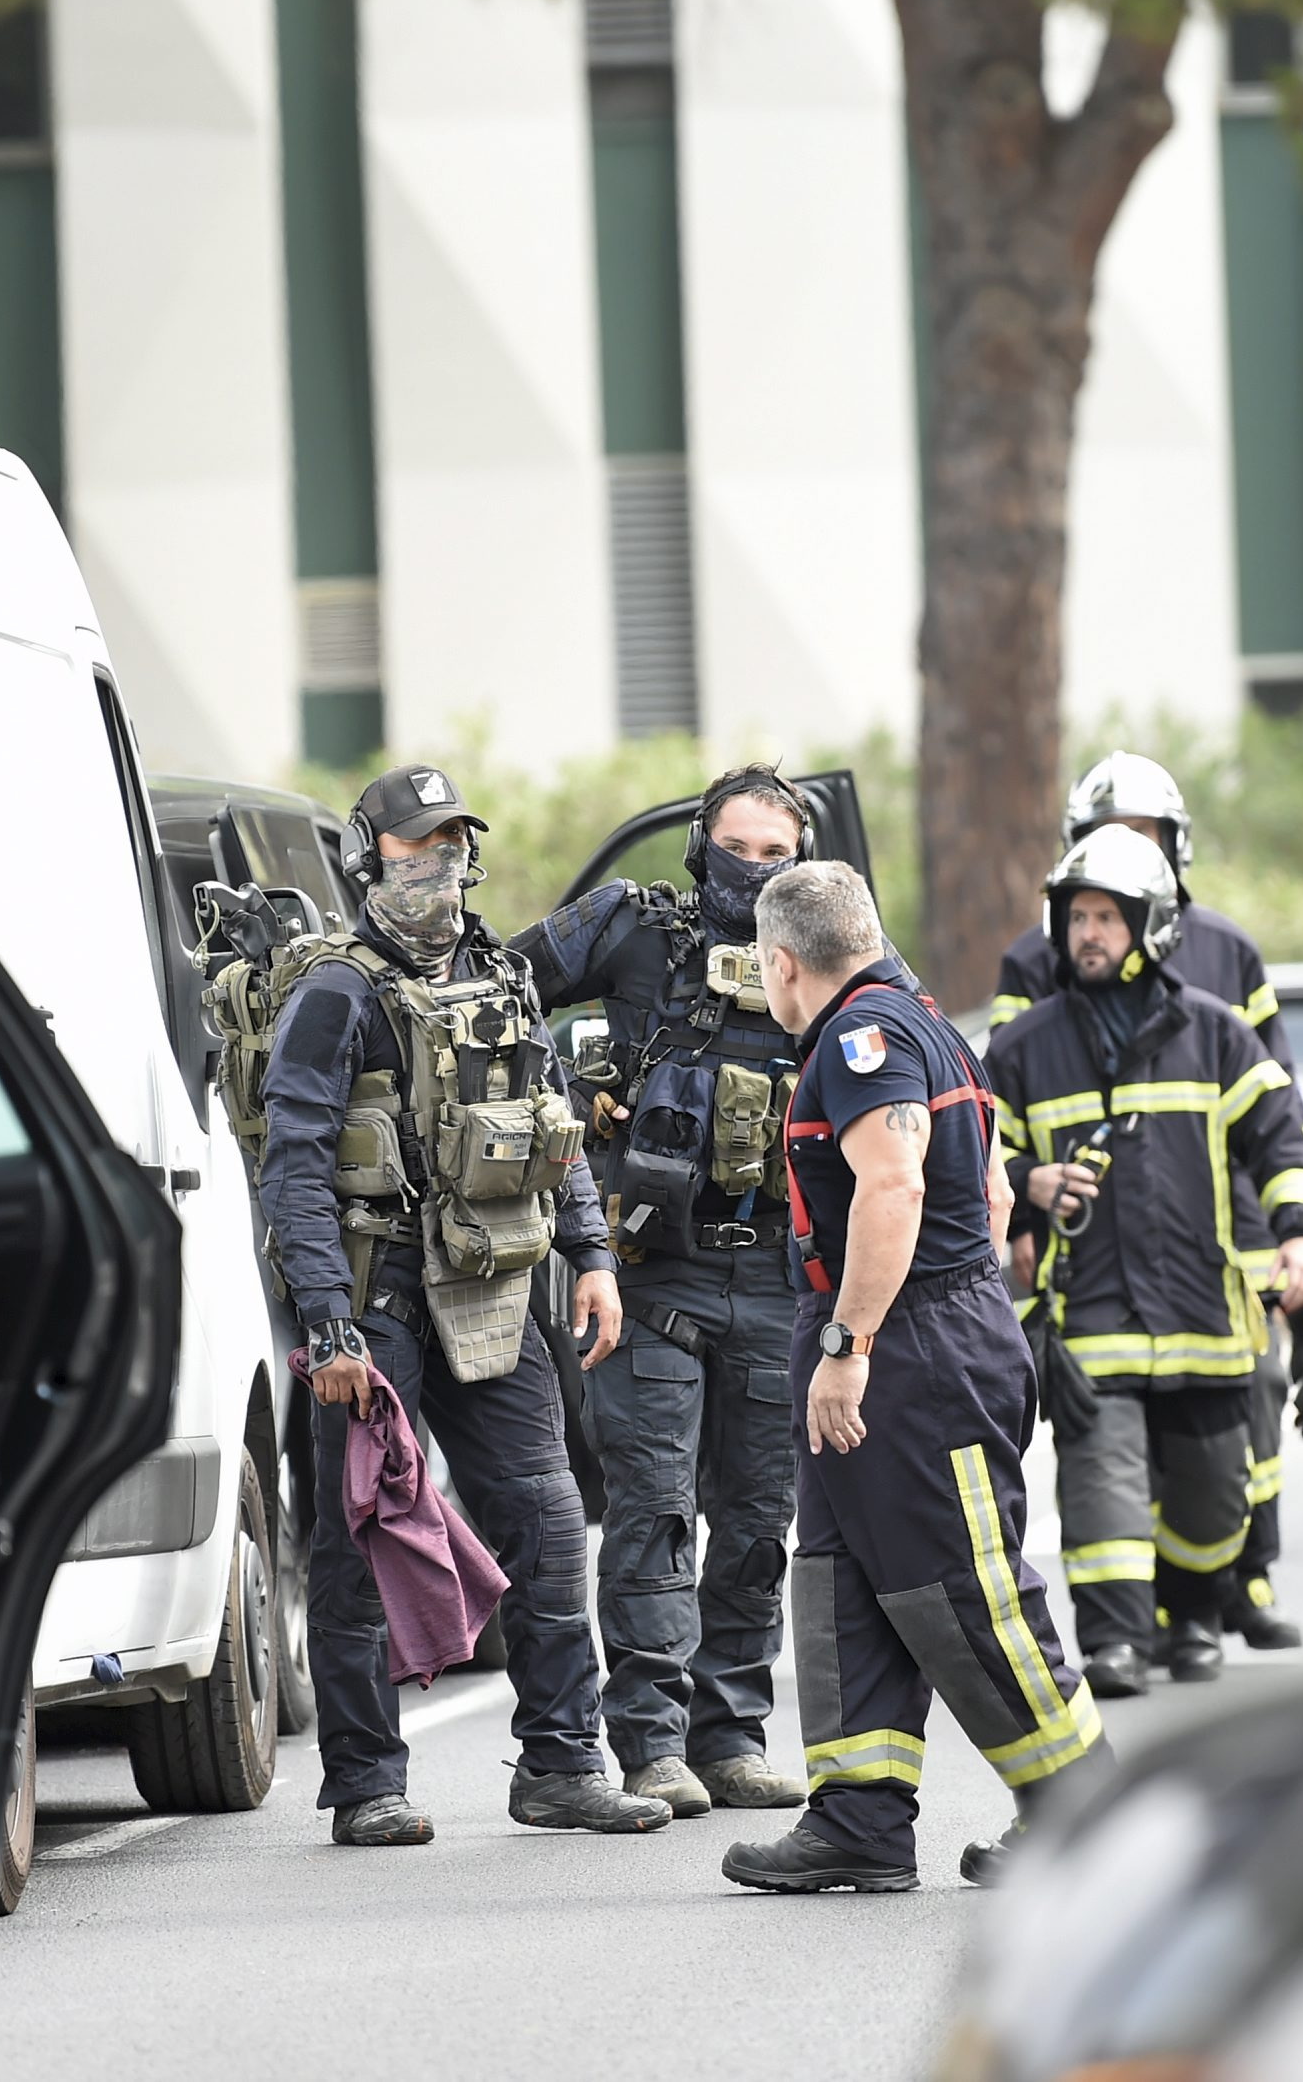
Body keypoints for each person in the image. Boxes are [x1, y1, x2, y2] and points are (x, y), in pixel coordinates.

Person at [261, 765, 672, 1845]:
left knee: (545, 1519)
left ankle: (563, 1766)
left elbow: (555, 1126)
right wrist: (326, 1322)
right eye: (413, 850)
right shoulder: (334, 993)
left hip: (491, 1286)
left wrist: (589, 1254)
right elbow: (295, 1167)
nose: (436, 869)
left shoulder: (500, 973)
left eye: (449, 847)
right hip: (376, 1295)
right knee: (358, 1541)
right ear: (369, 863)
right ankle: (365, 1784)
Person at [719, 863, 1107, 1895]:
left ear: (783, 962)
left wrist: (851, 1345)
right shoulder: (924, 1017)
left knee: (963, 1588)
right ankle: (859, 1816)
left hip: (907, 1347)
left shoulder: (862, 1039)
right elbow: (985, 1191)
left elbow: (894, 1186)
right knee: (843, 1577)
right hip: (918, 1326)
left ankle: (1089, 1817)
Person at [513, 764, 819, 1819]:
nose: (757, 871)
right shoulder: (631, 929)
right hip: (650, 1273)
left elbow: (902, 1058)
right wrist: (570, 1106)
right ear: (701, 847)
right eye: (739, 849)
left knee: (755, 1517)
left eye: (778, 855)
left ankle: (728, 1736)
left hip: (777, 1276)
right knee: (649, 1509)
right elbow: (501, 1004)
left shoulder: (830, 956)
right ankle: (650, 1743)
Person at [988, 749, 1303, 1650]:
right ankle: (1117, 1632)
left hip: (1213, 1262)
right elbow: (993, 1132)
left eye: (1138, 842)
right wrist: (1023, 1199)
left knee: (1231, 1450)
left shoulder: (1221, 982)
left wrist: (1302, 1225)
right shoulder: (1028, 999)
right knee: (1103, 1463)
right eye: (1081, 910)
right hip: (1092, 1275)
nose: (1091, 928)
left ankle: (1216, 1594)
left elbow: (1277, 1111)